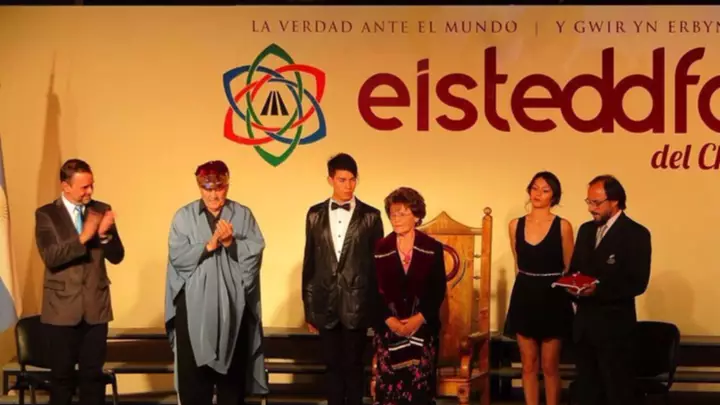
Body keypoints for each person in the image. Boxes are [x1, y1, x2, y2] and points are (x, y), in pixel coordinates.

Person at [164, 160, 268, 405]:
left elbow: (254, 253)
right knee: (194, 383)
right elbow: (177, 256)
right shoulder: (184, 217)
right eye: (207, 189)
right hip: (194, 310)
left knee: (231, 383)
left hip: (234, 308)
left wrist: (231, 243)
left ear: (227, 186)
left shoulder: (242, 215)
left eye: (219, 188)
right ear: (199, 187)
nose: (213, 195)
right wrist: (208, 246)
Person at [34, 159, 124, 405]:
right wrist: (84, 237)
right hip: (61, 310)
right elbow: (51, 257)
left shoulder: (101, 209)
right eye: (84, 187)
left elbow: (117, 256)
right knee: (61, 379)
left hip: (96, 308)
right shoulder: (46, 214)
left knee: (92, 377)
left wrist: (104, 235)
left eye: (92, 185)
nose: (90, 191)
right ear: (65, 186)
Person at [302, 153, 384, 405]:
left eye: (352, 179)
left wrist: (376, 308)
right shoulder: (314, 214)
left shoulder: (371, 216)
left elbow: (378, 265)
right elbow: (310, 263)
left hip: (357, 303)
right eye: (342, 180)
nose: (348, 185)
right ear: (330, 180)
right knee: (332, 365)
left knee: (354, 365)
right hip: (325, 301)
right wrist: (309, 308)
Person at [568, 175, 652, 405]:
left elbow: (637, 282)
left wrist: (598, 290)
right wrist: (571, 284)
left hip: (614, 330)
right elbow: (575, 269)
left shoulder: (636, 234)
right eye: (588, 202)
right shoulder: (586, 230)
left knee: (616, 392)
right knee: (586, 391)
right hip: (584, 327)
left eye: (596, 203)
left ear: (614, 201)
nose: (590, 208)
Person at [503, 172, 575, 405]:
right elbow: (518, 262)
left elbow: (569, 267)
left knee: (550, 365)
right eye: (535, 188)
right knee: (528, 364)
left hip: (553, 296)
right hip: (524, 295)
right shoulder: (515, 224)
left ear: (554, 196)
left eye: (545, 190)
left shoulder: (563, 226)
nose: (538, 194)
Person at [371, 187, 447, 405]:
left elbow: (437, 290)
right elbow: (371, 291)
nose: (396, 218)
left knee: (418, 392)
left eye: (402, 213)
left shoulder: (431, 248)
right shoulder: (379, 248)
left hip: (422, 327)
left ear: (416, 215)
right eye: (393, 213)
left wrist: (417, 319)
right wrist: (391, 322)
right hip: (388, 329)